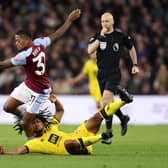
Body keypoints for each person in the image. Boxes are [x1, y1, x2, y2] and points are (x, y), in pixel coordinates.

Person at [0, 9, 81, 137]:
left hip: (40, 91)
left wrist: (69, 20)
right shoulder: (39, 43)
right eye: (15, 41)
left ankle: (30, 143)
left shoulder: (24, 56)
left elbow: (4, 65)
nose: (16, 43)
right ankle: (32, 116)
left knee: (26, 122)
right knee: (8, 107)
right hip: (28, 85)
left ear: (27, 40)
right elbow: (57, 34)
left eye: (18, 40)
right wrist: (69, 20)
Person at [0, 87, 133, 155]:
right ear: (31, 129)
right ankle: (102, 136)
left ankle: (124, 100)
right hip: (78, 148)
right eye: (34, 123)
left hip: (78, 136)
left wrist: (55, 100)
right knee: (68, 143)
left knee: (95, 119)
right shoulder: (34, 143)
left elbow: (60, 111)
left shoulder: (50, 126)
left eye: (37, 120)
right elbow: (19, 151)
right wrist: (4, 153)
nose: (37, 122)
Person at [88, 12, 139, 144]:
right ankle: (122, 118)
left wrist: (135, 64)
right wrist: (100, 37)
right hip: (101, 74)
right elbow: (89, 50)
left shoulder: (120, 35)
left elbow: (131, 48)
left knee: (104, 102)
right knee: (108, 105)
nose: (104, 24)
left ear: (112, 22)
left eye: (107, 21)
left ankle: (109, 133)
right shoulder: (98, 36)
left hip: (114, 72)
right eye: (102, 21)